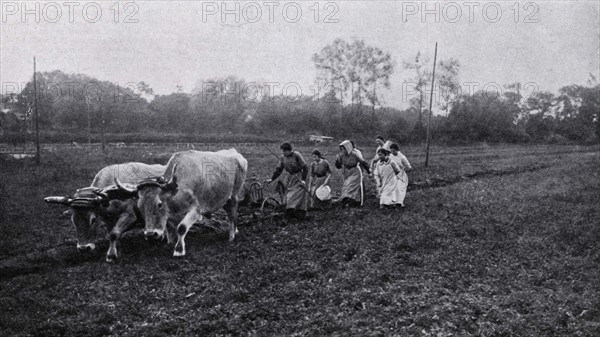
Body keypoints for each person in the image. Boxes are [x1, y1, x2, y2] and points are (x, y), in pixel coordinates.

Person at [266, 142, 308, 220]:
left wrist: (303, 180)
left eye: (285, 151)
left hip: (298, 177)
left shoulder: (296, 155)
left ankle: (299, 213)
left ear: (290, 150)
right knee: (288, 195)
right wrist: (272, 179)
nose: (284, 152)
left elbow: (305, 168)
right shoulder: (282, 157)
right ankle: (291, 212)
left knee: (295, 196)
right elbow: (279, 169)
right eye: (283, 151)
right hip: (290, 178)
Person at [335, 140, 371, 207]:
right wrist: (337, 160)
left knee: (351, 186)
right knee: (346, 186)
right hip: (347, 171)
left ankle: (351, 201)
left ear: (348, 148)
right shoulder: (341, 155)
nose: (343, 151)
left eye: (344, 149)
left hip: (355, 171)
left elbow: (363, 162)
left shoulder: (354, 154)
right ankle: (347, 201)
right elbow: (338, 166)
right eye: (342, 149)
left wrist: (369, 172)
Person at [389, 143, 412, 208]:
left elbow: (409, 167)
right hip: (392, 174)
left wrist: (403, 170)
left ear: (397, 150)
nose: (393, 152)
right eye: (391, 151)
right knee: (392, 188)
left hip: (400, 175)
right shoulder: (390, 156)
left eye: (394, 151)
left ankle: (399, 202)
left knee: (400, 188)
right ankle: (393, 202)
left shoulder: (402, 157)